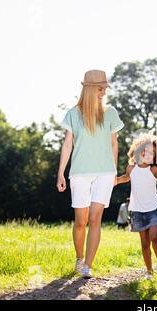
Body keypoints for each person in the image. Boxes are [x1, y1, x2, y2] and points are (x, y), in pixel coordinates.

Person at [56, 69, 124, 279]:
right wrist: (60, 173)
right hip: (80, 172)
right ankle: (79, 258)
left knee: (95, 220)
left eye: (105, 88)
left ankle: (88, 265)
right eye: (101, 88)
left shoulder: (110, 112)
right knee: (80, 221)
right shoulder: (73, 114)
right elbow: (67, 145)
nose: (104, 92)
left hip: (105, 173)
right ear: (89, 89)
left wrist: (114, 171)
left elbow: (114, 144)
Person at [115, 133, 157, 279]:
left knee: (154, 236)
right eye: (146, 151)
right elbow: (125, 178)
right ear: (140, 151)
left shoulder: (153, 169)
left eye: (153, 153)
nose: (149, 154)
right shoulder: (131, 168)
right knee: (145, 243)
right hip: (136, 211)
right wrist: (113, 181)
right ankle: (149, 271)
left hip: (154, 208)